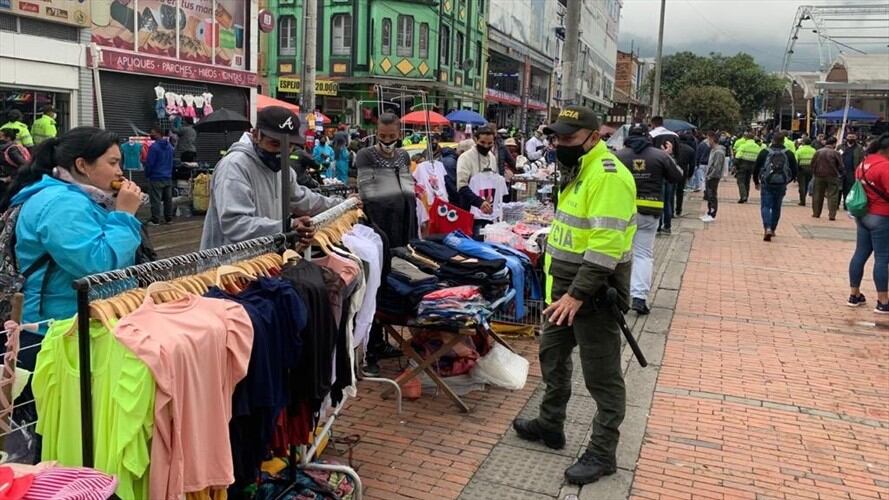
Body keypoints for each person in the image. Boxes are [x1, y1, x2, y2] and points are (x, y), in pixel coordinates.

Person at [512, 105, 637, 486]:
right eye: (556, 137)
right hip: (562, 292)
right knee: (552, 357)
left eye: (568, 138)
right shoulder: (578, 170)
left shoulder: (607, 175)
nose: (559, 144)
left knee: (603, 378)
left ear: (594, 137)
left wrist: (577, 294)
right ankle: (551, 423)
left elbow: (605, 246)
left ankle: (603, 453)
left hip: (593, 295)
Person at [0, 127, 143, 325]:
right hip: (58, 329)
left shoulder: (83, 198)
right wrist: (125, 215)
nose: (120, 172)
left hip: (77, 321)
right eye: (113, 163)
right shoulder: (62, 203)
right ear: (82, 165)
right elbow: (97, 267)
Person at [200, 106, 344, 250]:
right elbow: (235, 223)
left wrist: (343, 204)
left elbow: (301, 199)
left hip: (267, 258)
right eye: (275, 143)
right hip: (228, 265)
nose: (282, 151)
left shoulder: (284, 169)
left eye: (289, 145)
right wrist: (286, 226)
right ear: (256, 135)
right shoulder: (234, 166)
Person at [615, 123, 683, 314]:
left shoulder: (618, 156)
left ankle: (619, 297)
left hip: (623, 211)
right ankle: (639, 298)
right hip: (649, 211)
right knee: (644, 254)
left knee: (620, 254)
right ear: (648, 136)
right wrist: (669, 155)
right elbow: (677, 177)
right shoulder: (659, 156)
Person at [847, 133, 889, 313]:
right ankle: (883, 301)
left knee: (860, 254)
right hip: (881, 216)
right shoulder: (885, 167)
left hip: (863, 215)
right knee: (882, 258)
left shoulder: (863, 164)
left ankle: (854, 294)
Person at [754, 132, 797, 241]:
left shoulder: (764, 152)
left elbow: (756, 167)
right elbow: (795, 170)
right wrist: (787, 181)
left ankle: (767, 227)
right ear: (784, 141)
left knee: (766, 206)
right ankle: (773, 229)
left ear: (772, 140)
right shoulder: (789, 153)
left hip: (767, 183)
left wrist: (756, 181)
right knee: (777, 207)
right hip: (781, 184)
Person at [456, 127, 497, 235]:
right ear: (475, 139)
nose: (486, 146)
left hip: (488, 210)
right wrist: (479, 202)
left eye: (490, 143)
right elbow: (461, 187)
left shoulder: (492, 157)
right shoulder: (465, 158)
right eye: (482, 142)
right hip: (469, 209)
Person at [144, 126, 175, 225]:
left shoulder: (154, 147)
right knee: (168, 199)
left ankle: (155, 219)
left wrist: (147, 173)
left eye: (152, 132)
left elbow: (150, 163)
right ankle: (168, 218)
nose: (151, 134)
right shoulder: (170, 147)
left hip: (156, 177)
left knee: (156, 200)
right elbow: (171, 161)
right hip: (168, 176)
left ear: (158, 133)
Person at [811, 137, 844, 220]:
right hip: (832, 176)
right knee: (833, 195)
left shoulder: (818, 152)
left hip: (819, 175)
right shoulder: (835, 153)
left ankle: (816, 213)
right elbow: (841, 166)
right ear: (834, 144)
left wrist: (814, 172)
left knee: (817, 194)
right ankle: (832, 215)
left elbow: (812, 163)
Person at [701, 132, 726, 223]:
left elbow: (717, 167)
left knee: (712, 195)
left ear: (712, 140)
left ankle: (712, 213)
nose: (707, 142)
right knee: (709, 194)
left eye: (708, 139)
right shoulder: (713, 150)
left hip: (713, 177)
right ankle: (709, 212)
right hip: (710, 176)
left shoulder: (718, 152)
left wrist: (711, 175)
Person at [0, 128, 29, 197]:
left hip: (10, 182)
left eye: (0, 136)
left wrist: (11, 177)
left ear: (8, 138)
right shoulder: (3, 148)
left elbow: (24, 165)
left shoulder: (12, 150)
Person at [734, 132, 761, 203]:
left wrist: (736, 165)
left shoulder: (743, 146)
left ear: (746, 138)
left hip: (743, 165)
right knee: (747, 181)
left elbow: (738, 156)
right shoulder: (757, 147)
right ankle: (746, 196)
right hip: (753, 166)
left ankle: (743, 196)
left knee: (740, 181)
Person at [841, 133, 865, 210]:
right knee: (839, 188)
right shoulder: (841, 146)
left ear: (855, 138)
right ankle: (836, 205)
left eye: (853, 137)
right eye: (849, 137)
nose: (851, 138)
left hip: (852, 171)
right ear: (846, 137)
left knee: (849, 188)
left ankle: (846, 204)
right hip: (841, 171)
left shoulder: (859, 148)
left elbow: (862, 159)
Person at [675, 134, 696, 216]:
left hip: (673, 169)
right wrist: (690, 175)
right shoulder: (690, 150)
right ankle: (678, 210)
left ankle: (669, 210)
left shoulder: (675, 147)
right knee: (680, 191)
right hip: (683, 171)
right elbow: (692, 164)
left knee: (671, 191)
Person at [795, 137, 817, 206]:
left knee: (802, 185)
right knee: (807, 183)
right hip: (810, 169)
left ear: (803, 143)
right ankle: (804, 196)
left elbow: (796, 160)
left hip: (801, 169)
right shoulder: (814, 150)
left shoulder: (800, 150)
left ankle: (802, 200)